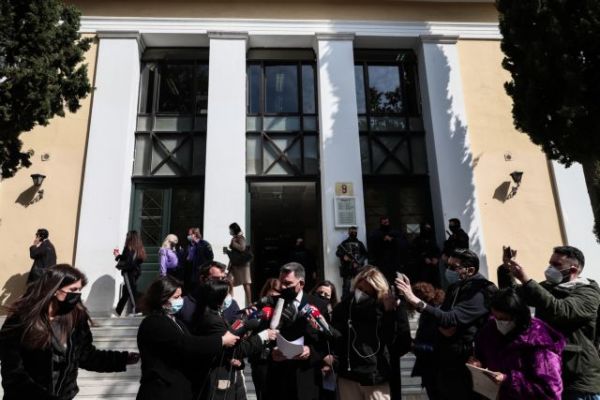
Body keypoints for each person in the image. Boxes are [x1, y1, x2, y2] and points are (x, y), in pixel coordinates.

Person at [0, 264, 139, 400]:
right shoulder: (21, 320)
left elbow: (86, 356)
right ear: (55, 289)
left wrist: (122, 359)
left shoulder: (76, 318)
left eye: (79, 290)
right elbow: (13, 373)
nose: (77, 294)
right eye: (73, 289)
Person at [395, 248, 497, 400]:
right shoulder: (455, 287)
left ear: (470, 270)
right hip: (446, 362)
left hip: (469, 364)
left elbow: (449, 320)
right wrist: (444, 324)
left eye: (454, 267)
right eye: (447, 265)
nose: (448, 271)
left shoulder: (480, 291)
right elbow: (444, 322)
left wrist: (416, 301)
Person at [509, 245, 600, 400]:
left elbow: (561, 311)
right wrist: (507, 269)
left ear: (573, 269)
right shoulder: (548, 287)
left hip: (578, 379)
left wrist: (526, 280)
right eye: (550, 263)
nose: (550, 268)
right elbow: (513, 297)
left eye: (556, 264)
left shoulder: (588, 292)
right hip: (549, 374)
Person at [136, 275, 240, 400]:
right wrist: (221, 340)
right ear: (162, 299)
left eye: (181, 296)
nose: (181, 300)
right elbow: (187, 344)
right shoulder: (155, 322)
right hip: (161, 390)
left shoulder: (175, 321)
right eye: (176, 297)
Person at [331, 266, 411, 400]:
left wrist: (390, 313)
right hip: (349, 376)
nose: (362, 294)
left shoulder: (386, 308)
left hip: (376, 378)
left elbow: (400, 343)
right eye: (360, 289)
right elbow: (336, 338)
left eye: (369, 292)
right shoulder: (344, 307)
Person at [471, 287, 565, 399]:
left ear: (518, 316)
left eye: (504, 319)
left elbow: (550, 391)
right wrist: (478, 364)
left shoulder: (538, 340)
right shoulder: (490, 329)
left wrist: (507, 380)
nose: (499, 322)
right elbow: (482, 354)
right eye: (496, 317)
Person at [192, 279, 277, 400]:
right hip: (216, 377)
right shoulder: (212, 320)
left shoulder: (215, 314)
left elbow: (230, 332)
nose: (230, 298)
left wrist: (243, 322)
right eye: (227, 294)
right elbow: (236, 349)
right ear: (218, 297)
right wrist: (263, 336)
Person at [264, 262, 330, 400]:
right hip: (278, 378)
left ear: (301, 283)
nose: (283, 287)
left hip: (307, 377)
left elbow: (328, 342)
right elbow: (260, 337)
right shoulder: (270, 303)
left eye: (288, 283)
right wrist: (271, 352)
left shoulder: (318, 305)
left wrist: (310, 351)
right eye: (281, 282)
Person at [410, 282, 445, 399]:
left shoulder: (435, 313)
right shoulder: (429, 312)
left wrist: (414, 346)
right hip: (431, 367)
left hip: (436, 368)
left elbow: (438, 345)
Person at [250, 278, 281, 400]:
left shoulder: (287, 309)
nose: (273, 296)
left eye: (276, 293)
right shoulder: (257, 309)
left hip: (279, 357)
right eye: (270, 293)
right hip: (260, 358)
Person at [113, 230, 146, 316]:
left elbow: (128, 260)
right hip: (136, 272)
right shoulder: (139, 248)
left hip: (129, 272)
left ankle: (137, 310)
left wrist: (118, 257)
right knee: (127, 291)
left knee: (131, 290)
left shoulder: (129, 247)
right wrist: (118, 256)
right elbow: (136, 259)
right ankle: (118, 311)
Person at [368, 216, 409, 284]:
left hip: (394, 262)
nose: (386, 223)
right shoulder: (376, 233)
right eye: (384, 222)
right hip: (381, 262)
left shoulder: (396, 232)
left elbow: (403, 243)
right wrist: (382, 240)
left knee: (396, 280)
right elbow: (372, 246)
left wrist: (392, 240)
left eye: (387, 222)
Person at [224, 222, 252, 306]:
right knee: (228, 281)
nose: (230, 231)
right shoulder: (236, 238)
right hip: (236, 264)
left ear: (234, 230)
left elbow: (242, 248)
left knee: (245, 283)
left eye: (230, 230)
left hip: (242, 265)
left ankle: (249, 303)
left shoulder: (240, 238)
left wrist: (233, 243)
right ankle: (229, 300)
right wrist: (227, 251)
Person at [336, 226, 368, 298]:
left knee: (359, 284)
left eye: (355, 232)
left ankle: (359, 299)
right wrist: (343, 256)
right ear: (348, 232)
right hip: (347, 268)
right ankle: (345, 300)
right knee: (346, 286)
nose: (353, 233)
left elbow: (365, 254)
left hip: (357, 268)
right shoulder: (344, 243)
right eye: (352, 232)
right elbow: (338, 253)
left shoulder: (360, 243)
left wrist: (358, 262)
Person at [185, 227, 214, 292]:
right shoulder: (189, 245)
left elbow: (210, 257)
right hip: (191, 272)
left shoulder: (204, 244)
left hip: (201, 271)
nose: (188, 236)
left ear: (195, 234)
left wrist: (205, 268)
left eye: (189, 234)